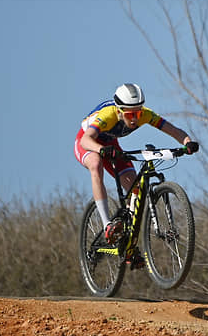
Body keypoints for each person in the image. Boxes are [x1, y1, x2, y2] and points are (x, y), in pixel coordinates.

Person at [74, 83, 199, 266]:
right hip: (89, 144)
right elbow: (86, 140)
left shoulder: (145, 115)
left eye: (138, 113)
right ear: (119, 111)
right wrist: (101, 150)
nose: (134, 119)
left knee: (137, 189)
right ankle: (107, 223)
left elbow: (174, 130)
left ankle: (128, 243)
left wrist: (187, 142)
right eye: (130, 114)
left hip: (111, 146)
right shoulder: (108, 115)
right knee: (96, 163)